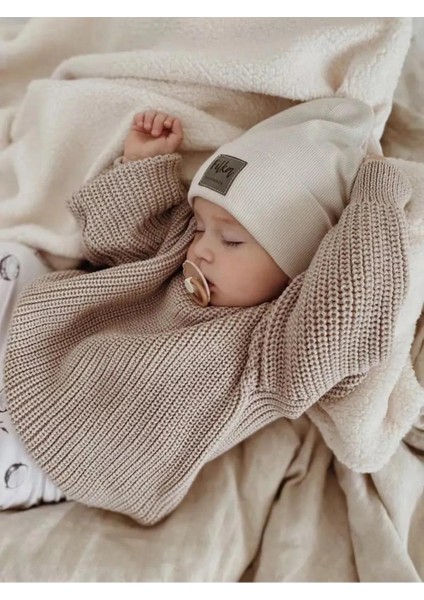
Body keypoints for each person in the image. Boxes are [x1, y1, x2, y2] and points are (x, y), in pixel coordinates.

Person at [0, 98, 411, 524]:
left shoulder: (271, 352)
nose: (202, 249)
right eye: (200, 227)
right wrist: (143, 167)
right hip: (43, 346)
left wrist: (376, 202)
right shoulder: (184, 253)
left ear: (297, 264)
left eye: (231, 240)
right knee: (11, 257)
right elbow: (118, 244)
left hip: (67, 453)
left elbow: (347, 314)